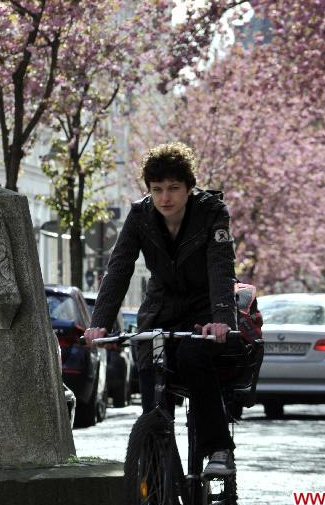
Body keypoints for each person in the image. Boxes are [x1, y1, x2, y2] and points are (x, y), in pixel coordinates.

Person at [84, 141, 238, 476]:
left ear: (188, 187)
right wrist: (100, 323)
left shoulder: (212, 212)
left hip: (203, 307)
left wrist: (222, 319)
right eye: (157, 189)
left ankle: (218, 449)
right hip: (160, 307)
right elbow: (120, 267)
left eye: (173, 188)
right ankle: (156, 473)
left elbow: (220, 268)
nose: (165, 198)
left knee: (192, 359)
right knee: (151, 369)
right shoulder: (140, 215)